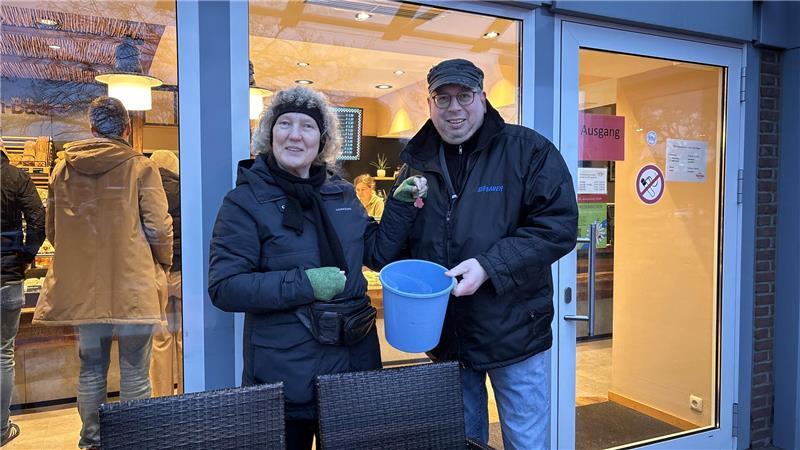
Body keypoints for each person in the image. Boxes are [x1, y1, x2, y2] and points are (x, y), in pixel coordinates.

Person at [208, 86, 425, 450]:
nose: (295, 134)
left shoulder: (340, 194)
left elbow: (376, 254)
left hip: (352, 365)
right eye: (285, 124)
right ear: (269, 134)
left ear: (322, 140)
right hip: (285, 373)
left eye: (307, 126)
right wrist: (304, 284)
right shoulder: (244, 202)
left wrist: (400, 209)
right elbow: (225, 286)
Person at [394, 59, 578, 449]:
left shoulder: (528, 150)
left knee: (525, 441)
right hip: (449, 336)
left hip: (515, 332)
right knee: (462, 443)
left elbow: (558, 227)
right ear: (429, 103)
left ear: (482, 97)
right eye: (442, 98)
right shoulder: (415, 162)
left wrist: (489, 265)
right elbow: (403, 239)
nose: (454, 107)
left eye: (464, 95)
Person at [33, 97, 173, 449]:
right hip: (132, 281)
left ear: (92, 128)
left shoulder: (63, 168)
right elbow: (158, 227)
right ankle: (133, 442)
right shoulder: (141, 168)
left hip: (83, 286)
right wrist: (163, 263)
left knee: (92, 367)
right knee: (135, 370)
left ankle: (91, 441)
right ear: (126, 128)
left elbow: (53, 229)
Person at [1, 139, 46, 446]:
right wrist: (26, 255)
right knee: (3, 354)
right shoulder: (16, 177)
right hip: (7, 277)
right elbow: (39, 221)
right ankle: (1, 429)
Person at [148, 150, 183, 396]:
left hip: (155, 272)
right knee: (184, 338)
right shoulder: (188, 189)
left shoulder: (145, 192)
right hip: (185, 273)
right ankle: (187, 393)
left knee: (159, 340)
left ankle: (161, 398)